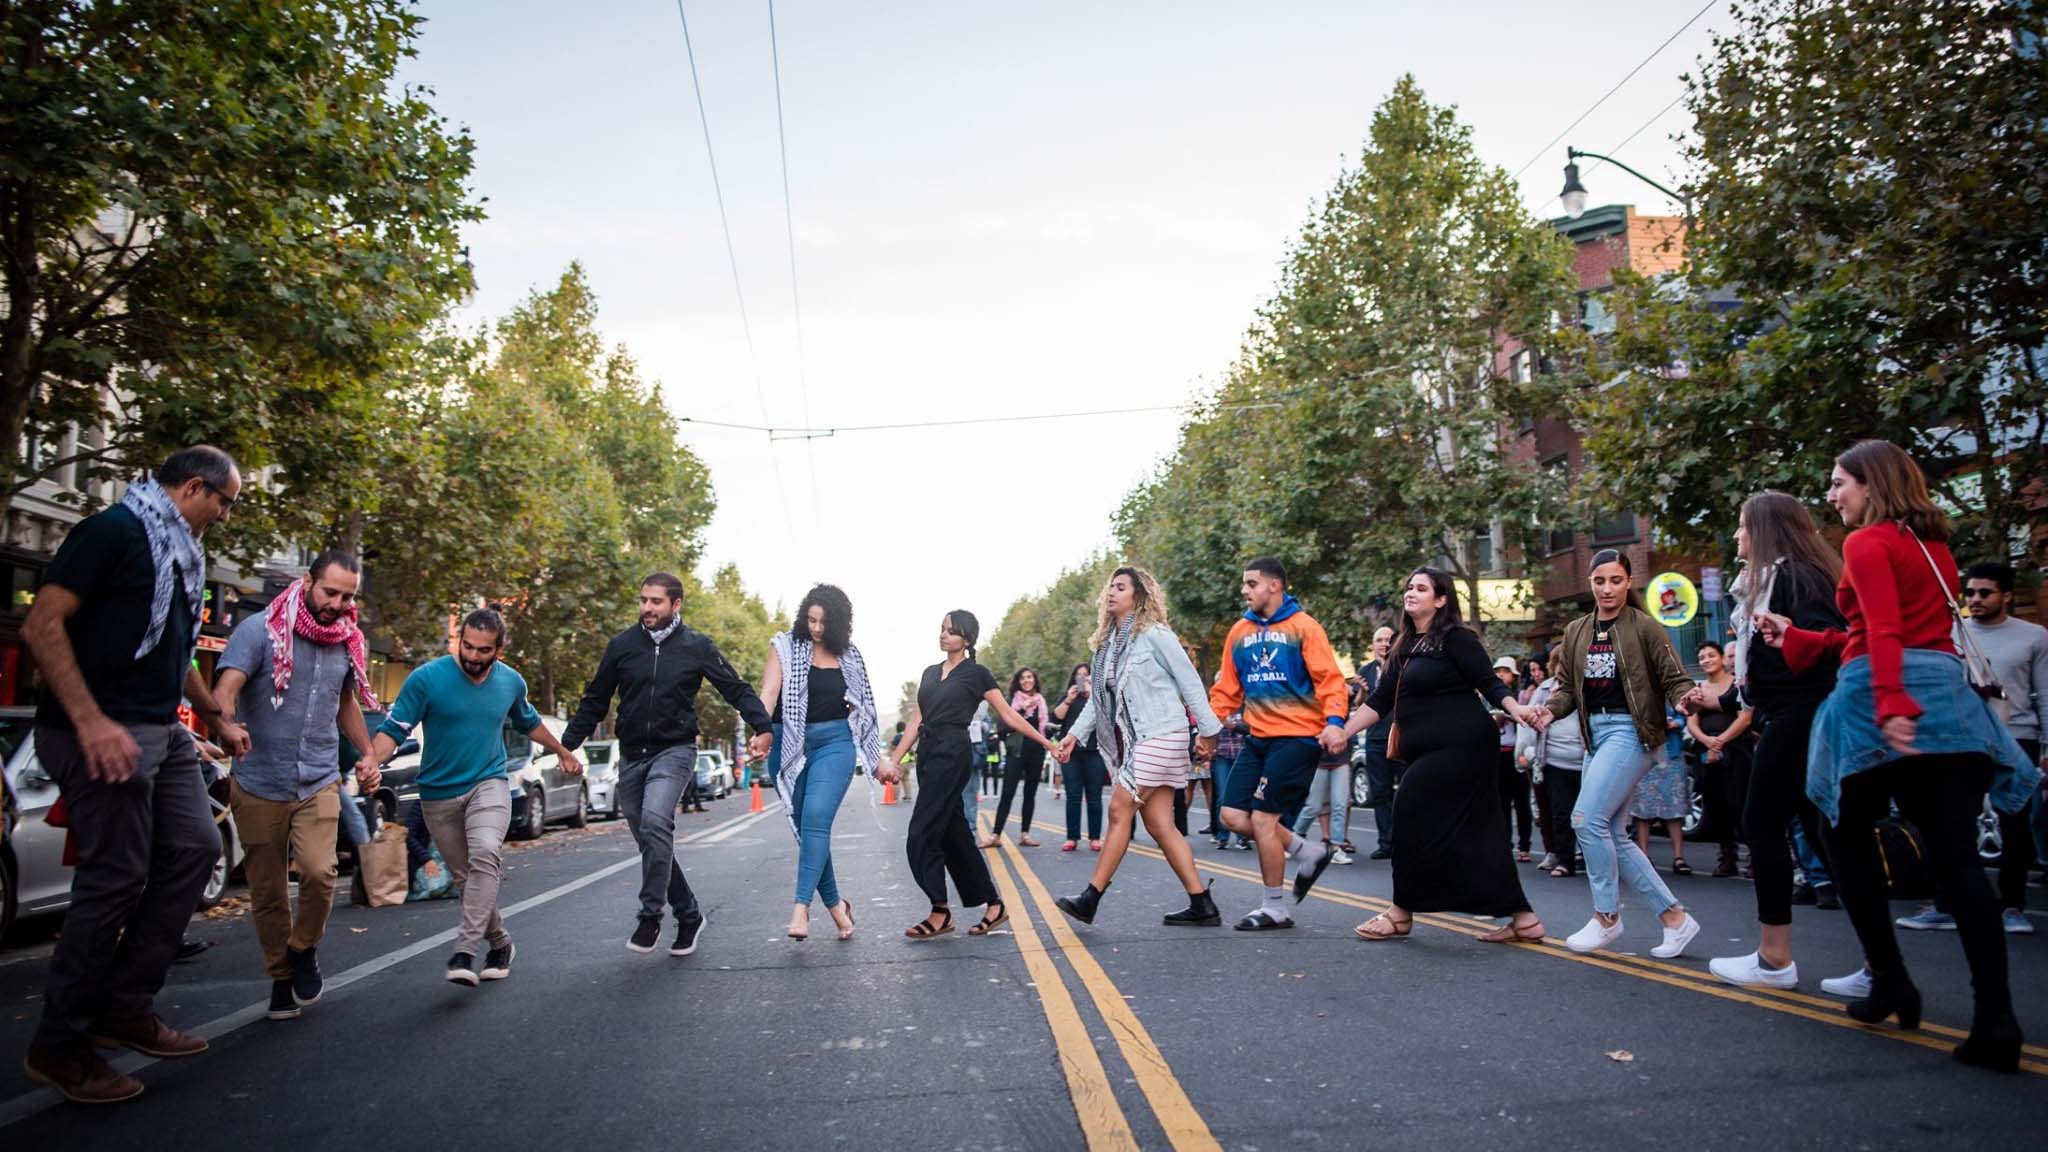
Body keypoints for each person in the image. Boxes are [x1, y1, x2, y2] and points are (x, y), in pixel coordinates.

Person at [1758, 440, 2035, 1071]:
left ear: (1871, 484)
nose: (1832, 496)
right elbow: (1886, 628)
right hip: (1949, 703)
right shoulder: (1933, 547)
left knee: (1838, 830)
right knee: (1959, 863)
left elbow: (1882, 633)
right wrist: (1798, 637)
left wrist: (1891, 703)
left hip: (1878, 702)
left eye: (1838, 483)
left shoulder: (1867, 541)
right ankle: (1997, 1019)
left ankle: (1888, 979)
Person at [19, 446, 249, 1104]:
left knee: (197, 849)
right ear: (195, 489)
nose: (227, 516)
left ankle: (125, 1006)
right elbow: (41, 624)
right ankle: (59, 1047)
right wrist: (90, 721)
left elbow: (170, 649)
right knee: (115, 878)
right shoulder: (111, 532)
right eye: (225, 501)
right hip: (95, 729)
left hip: (161, 729)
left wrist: (214, 715)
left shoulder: (180, 556)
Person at [360, 608, 583, 985]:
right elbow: (394, 728)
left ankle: (464, 951)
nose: (473, 656)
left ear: (499, 649)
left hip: (488, 782)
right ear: (458, 640)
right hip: (438, 793)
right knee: (466, 878)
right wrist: (370, 761)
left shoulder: (510, 682)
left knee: (485, 854)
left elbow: (527, 721)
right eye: (468, 646)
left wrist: (562, 751)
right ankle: (500, 943)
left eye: (484, 650)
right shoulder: (427, 679)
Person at [562, 573, 773, 956]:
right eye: (643, 600)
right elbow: (595, 700)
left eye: (655, 601)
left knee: (656, 823)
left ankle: (650, 916)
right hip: (631, 756)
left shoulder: (697, 646)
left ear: (676, 605)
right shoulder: (623, 646)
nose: (646, 608)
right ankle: (689, 914)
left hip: (674, 751)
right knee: (651, 840)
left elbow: (735, 688)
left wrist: (763, 726)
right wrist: (567, 746)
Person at [212, 551, 378, 1022]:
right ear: (308, 581)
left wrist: (366, 752)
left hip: (318, 777)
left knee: (320, 871)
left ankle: (303, 947)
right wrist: (225, 725)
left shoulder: (348, 639)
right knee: (266, 892)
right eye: (331, 592)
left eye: (348, 596)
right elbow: (226, 690)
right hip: (259, 779)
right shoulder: (259, 631)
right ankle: (281, 977)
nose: (338, 604)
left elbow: (344, 702)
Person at [1341, 569, 1547, 943]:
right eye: (1408, 586)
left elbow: (1489, 683)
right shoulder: (1405, 645)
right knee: (1481, 831)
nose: (1411, 593)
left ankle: (1401, 912)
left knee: (1406, 812)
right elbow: (1379, 701)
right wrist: (1344, 731)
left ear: (1440, 600)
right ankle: (1525, 919)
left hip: (1462, 746)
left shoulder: (1455, 639)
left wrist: (1518, 711)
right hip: (1428, 750)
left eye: (1421, 588)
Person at [1528, 548, 1704, 959]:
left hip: (1631, 732)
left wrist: (1685, 699)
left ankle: (1607, 917)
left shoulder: (1645, 627)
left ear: (1629, 583)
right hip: (1597, 735)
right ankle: (1675, 920)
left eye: (1616, 580)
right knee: (1611, 834)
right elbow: (1568, 691)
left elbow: (1674, 678)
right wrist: (1546, 713)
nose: (1607, 589)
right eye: (1599, 581)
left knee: (1585, 820)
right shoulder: (1576, 631)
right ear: (1591, 584)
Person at [1702, 492, 1846, 990]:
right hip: (1790, 713)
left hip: (1805, 715)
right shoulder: (1770, 582)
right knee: (1830, 837)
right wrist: (1715, 702)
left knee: (1762, 823)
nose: (1738, 535)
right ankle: (1881, 966)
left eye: (1743, 526)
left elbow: (1829, 643)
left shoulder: (1794, 578)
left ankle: (1774, 959)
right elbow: (1763, 674)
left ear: (1765, 531)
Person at [1053, 567, 1224, 926]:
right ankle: (1201, 903)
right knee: (1161, 825)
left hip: (1163, 732)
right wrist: (1073, 734)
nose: (1111, 592)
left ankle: (1091, 898)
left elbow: (1189, 681)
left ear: (1139, 595)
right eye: (1110, 587)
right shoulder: (1107, 648)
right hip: (1139, 740)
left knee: (1119, 807)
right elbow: (1103, 705)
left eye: (1121, 587)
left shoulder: (1155, 635)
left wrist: (1208, 730)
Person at [881, 611, 1063, 939]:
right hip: (929, 755)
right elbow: (915, 722)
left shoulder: (977, 674)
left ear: (967, 638)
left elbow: (1009, 716)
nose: (943, 635)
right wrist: (893, 761)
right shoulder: (929, 673)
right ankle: (994, 905)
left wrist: (1047, 742)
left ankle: (939, 911)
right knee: (955, 834)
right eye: (942, 629)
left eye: (951, 631)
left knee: (920, 835)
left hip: (953, 753)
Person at [1208, 558, 1353, 930]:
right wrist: (1205, 729)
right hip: (1257, 739)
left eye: (1251, 583)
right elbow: (1226, 689)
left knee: (1263, 819)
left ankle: (1275, 907)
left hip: (1298, 738)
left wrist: (1335, 723)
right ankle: (1309, 851)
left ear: (1274, 585)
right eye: (1244, 583)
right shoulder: (1239, 631)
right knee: (1231, 816)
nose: (1245, 590)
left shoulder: (1305, 627)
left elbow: (1331, 682)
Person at [757, 584, 885, 942]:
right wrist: (760, 729)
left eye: (823, 622)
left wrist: (879, 758)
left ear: (839, 624)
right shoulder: (783, 646)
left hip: (834, 742)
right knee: (808, 831)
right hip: (788, 743)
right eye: (810, 620)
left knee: (815, 817)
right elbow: (769, 693)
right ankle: (837, 908)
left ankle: (801, 909)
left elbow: (866, 709)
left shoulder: (851, 657)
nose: (815, 628)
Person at [1940, 561, 2044, 935]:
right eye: (1970, 593)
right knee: (1954, 823)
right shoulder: (1955, 633)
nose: (1976, 600)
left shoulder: (2033, 636)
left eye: (1985, 593)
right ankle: (1950, 905)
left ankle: (2012, 906)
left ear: (2007, 596)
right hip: (1964, 738)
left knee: (2016, 824)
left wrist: (2046, 746)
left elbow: (2044, 694)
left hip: (2017, 736)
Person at [1685, 641, 1754, 879]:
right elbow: (1691, 722)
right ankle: (1727, 856)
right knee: (1716, 805)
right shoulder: (1699, 688)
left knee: (1741, 802)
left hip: (1736, 751)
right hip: (1707, 754)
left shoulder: (1736, 684)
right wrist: (1708, 741)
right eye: (1702, 657)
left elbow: (1744, 718)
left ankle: (1754, 856)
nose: (1706, 660)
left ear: (1722, 657)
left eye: (1711, 655)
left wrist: (1721, 741)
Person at [1518, 650, 1584, 877]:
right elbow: (1529, 721)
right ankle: (1565, 860)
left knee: (1587, 813)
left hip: (1585, 758)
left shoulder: (1586, 686)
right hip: (1554, 759)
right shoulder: (1545, 689)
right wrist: (1529, 753)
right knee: (1560, 812)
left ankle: (1586, 855)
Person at [983, 668, 1050, 847]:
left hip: (1036, 752)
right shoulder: (1013, 702)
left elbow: (1044, 729)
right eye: (1022, 678)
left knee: (1030, 793)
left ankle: (1024, 834)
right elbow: (1003, 729)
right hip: (1016, 753)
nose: (1026, 680)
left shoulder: (1041, 703)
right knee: (1007, 793)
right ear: (1018, 682)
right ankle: (995, 835)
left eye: (1029, 677)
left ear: (1034, 680)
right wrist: (1020, 711)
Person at [1051, 663, 1107, 851]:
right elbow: (1056, 718)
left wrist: (1093, 693)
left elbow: (1106, 716)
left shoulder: (1098, 697)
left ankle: (1095, 837)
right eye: (1079, 676)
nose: (1083, 679)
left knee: (1094, 796)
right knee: (1073, 795)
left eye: (1086, 675)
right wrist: (1068, 699)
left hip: (1094, 751)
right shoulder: (1069, 697)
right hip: (1071, 754)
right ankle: (1072, 837)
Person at [1629, 706, 1691, 872]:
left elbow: (1684, 716)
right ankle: (1643, 855)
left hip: (1671, 753)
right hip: (1644, 751)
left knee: (1675, 808)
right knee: (1643, 807)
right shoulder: (1638, 693)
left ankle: (1679, 857)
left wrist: (1673, 723)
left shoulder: (1671, 694)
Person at [1356, 625, 1399, 859]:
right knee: (1380, 793)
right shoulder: (1366, 670)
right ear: (1373, 645)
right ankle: (1386, 843)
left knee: (1406, 792)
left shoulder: (1405, 666)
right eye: (1379, 640)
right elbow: (1359, 705)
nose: (1384, 644)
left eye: (1388, 639)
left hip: (1401, 735)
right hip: (1375, 739)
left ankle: (1408, 841)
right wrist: (1361, 693)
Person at [1492, 657, 1535, 862]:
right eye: (1497, 671)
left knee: (1521, 803)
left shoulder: (1522, 697)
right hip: (1497, 753)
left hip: (1517, 754)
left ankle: (1524, 845)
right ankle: (1504, 843)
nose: (1501, 675)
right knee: (1501, 803)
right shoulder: (1488, 698)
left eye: (1505, 671)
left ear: (1514, 675)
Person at [1290, 740, 1355, 865]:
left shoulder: (1342, 719)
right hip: (1318, 761)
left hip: (1341, 760)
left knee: (1340, 805)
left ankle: (1336, 849)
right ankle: (1293, 840)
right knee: (1313, 806)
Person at [1210, 710, 1252, 851]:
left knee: (1241, 797)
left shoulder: (1245, 708)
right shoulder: (1217, 709)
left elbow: (1251, 729)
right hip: (1222, 757)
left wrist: (1233, 726)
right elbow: (1208, 730)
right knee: (1222, 797)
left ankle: (1242, 838)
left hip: (1242, 756)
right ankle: (1222, 837)